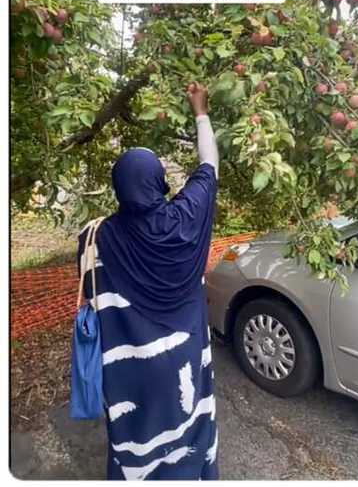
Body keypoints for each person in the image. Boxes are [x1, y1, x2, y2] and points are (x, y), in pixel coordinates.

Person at [77, 83, 220, 480]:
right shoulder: (187, 220)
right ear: (159, 181)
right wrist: (200, 110)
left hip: (130, 371)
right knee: (192, 426)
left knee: (133, 440)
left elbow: (94, 297)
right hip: (185, 361)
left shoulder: (95, 237)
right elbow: (210, 165)